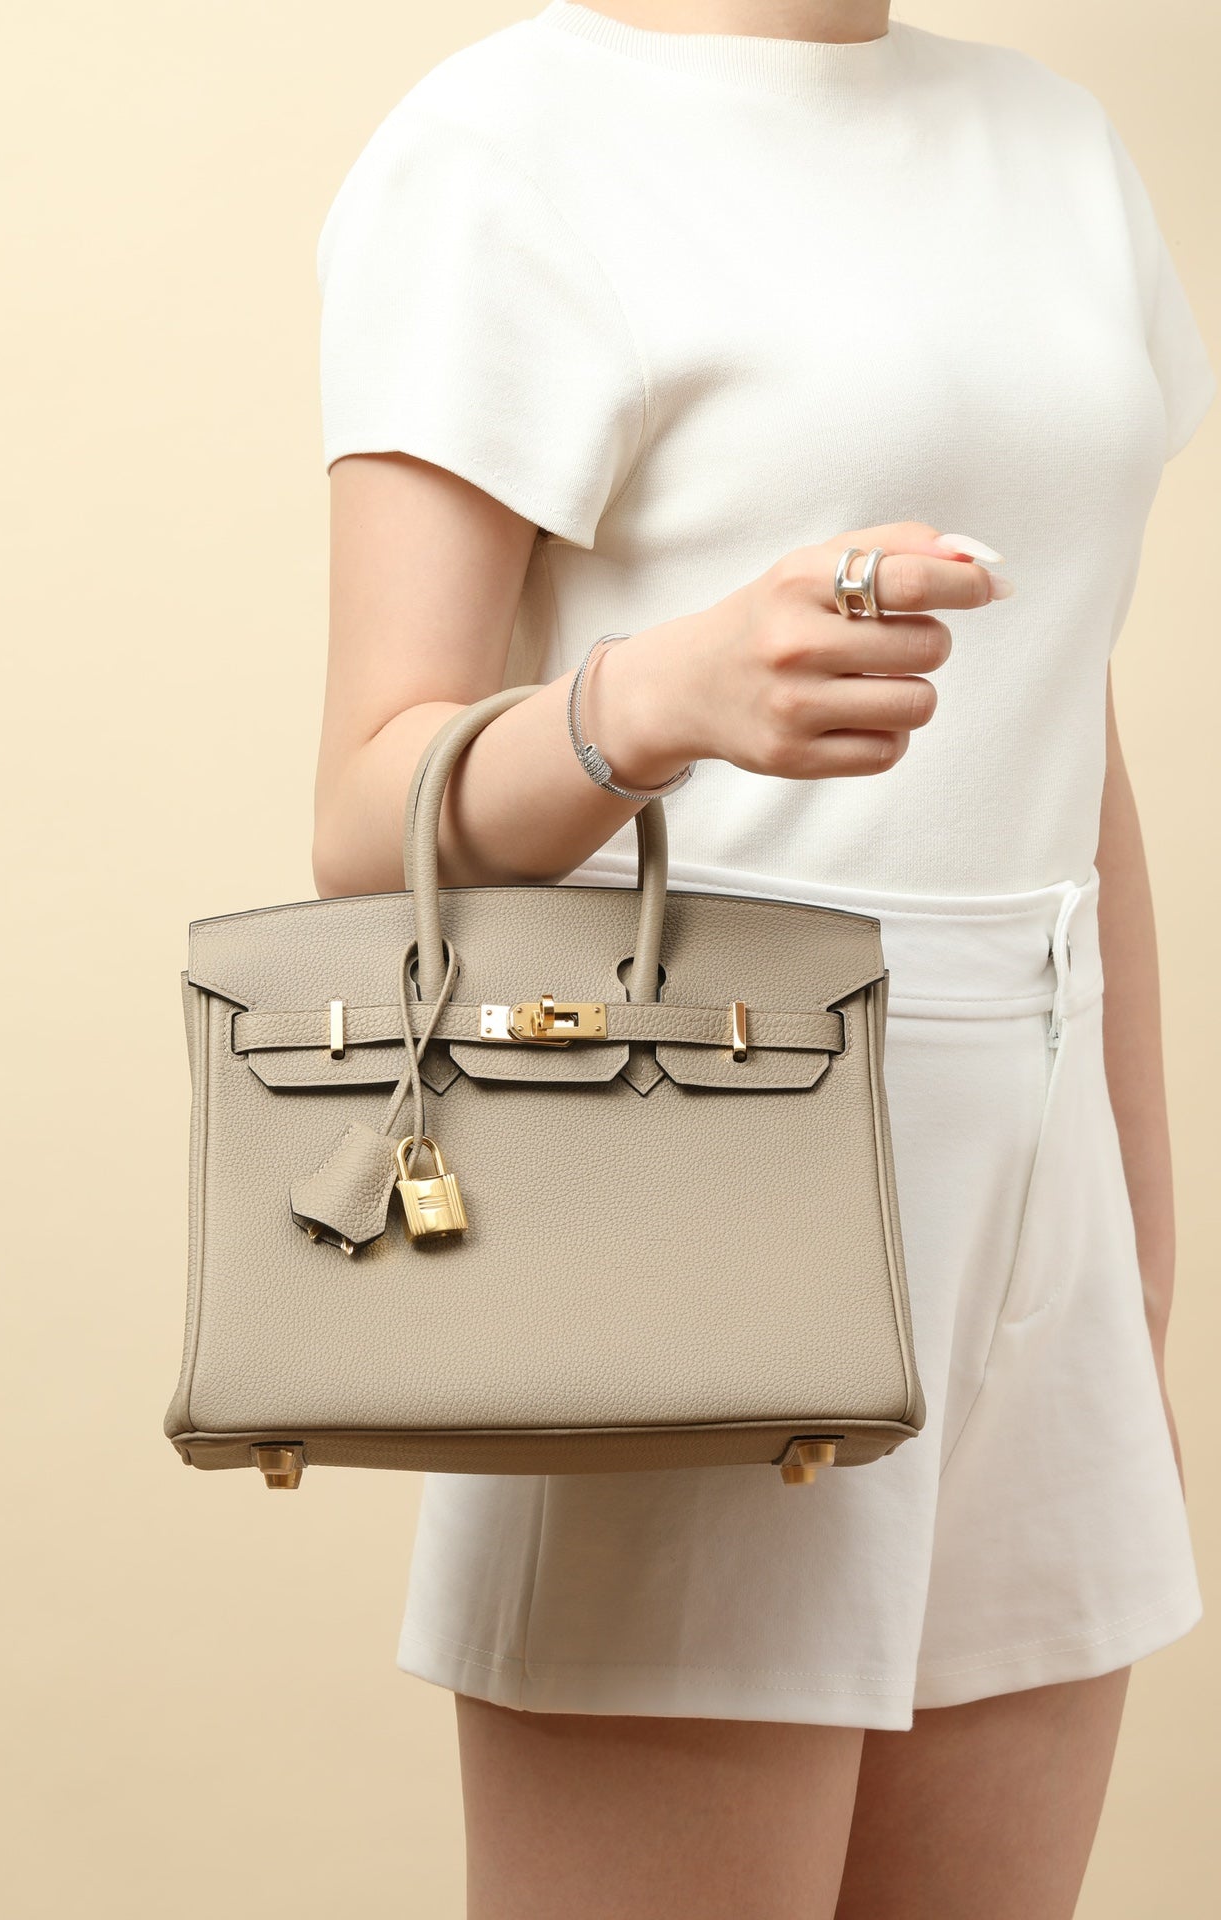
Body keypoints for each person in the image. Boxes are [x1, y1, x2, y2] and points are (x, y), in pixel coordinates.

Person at [311, 4, 1215, 1914]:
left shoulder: (1053, 141)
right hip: (694, 1186)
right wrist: (653, 700)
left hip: (1037, 1221)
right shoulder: (506, 142)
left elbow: (1071, 726)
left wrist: (1136, 1264)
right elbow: (367, 807)